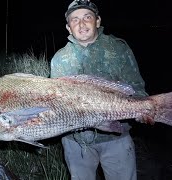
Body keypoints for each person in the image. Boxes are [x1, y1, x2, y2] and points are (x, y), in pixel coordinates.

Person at [50, 0, 148, 180]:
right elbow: (58, 104)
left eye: (87, 17)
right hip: (76, 142)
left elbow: (137, 89)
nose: (81, 24)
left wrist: (142, 108)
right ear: (68, 28)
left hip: (116, 138)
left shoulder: (118, 49)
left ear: (97, 21)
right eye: (75, 20)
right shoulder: (59, 59)